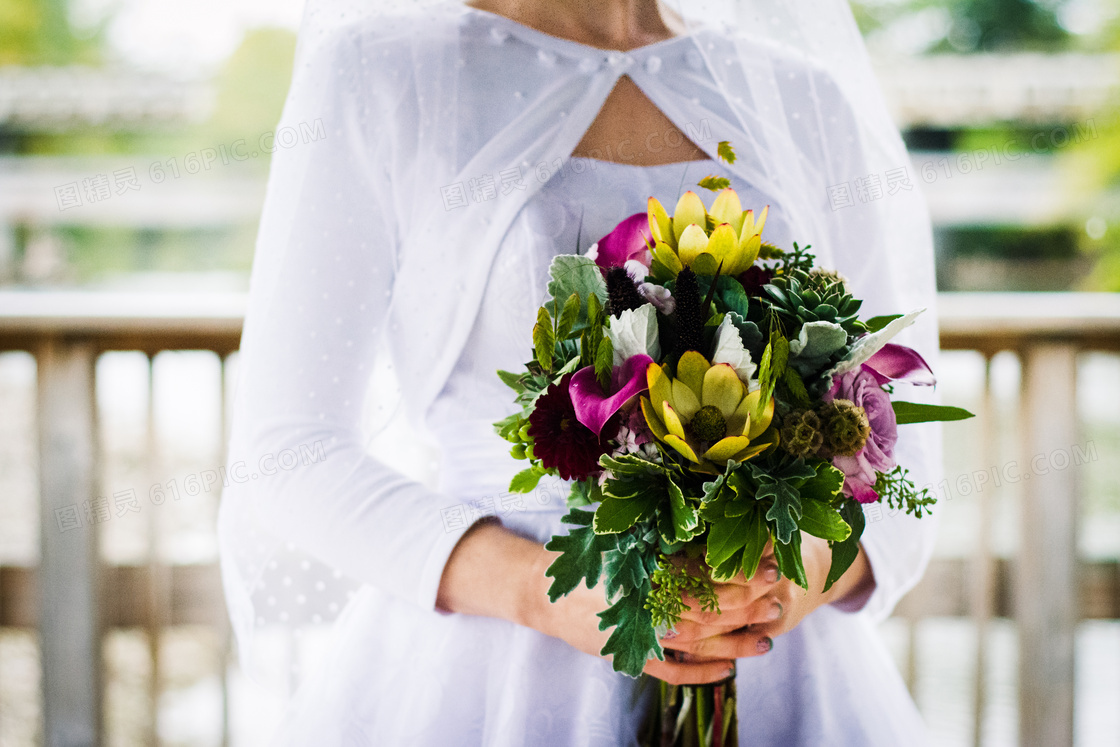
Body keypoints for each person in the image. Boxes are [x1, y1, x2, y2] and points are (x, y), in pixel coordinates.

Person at [217, 0, 943, 744]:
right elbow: (288, 448)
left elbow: (902, 437)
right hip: (497, 667)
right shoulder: (383, 72)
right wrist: (547, 592)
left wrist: (783, 582)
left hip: (782, 670)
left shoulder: (800, 94)